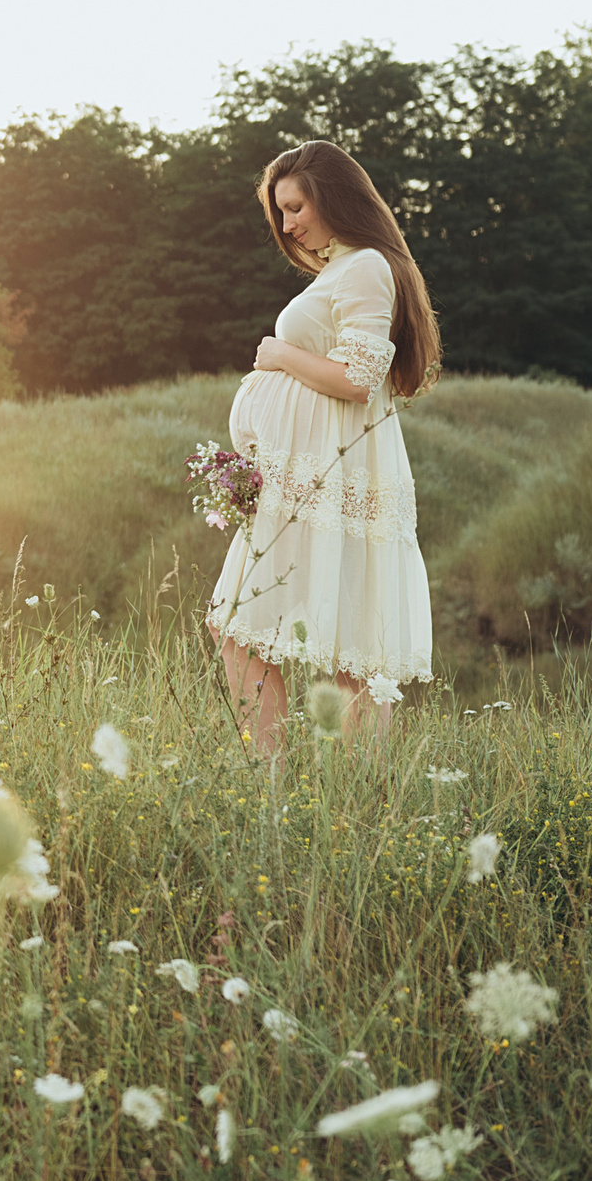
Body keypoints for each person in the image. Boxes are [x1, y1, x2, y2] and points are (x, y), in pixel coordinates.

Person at [207, 140, 440, 755]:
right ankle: (304, 792)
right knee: (300, 641)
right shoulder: (347, 267)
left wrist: (279, 354)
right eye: (279, 213)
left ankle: (294, 788)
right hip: (306, 478)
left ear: (332, 196)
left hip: (329, 478)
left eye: (295, 207)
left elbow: (358, 381)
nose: (288, 226)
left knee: (288, 639)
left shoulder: (365, 265)